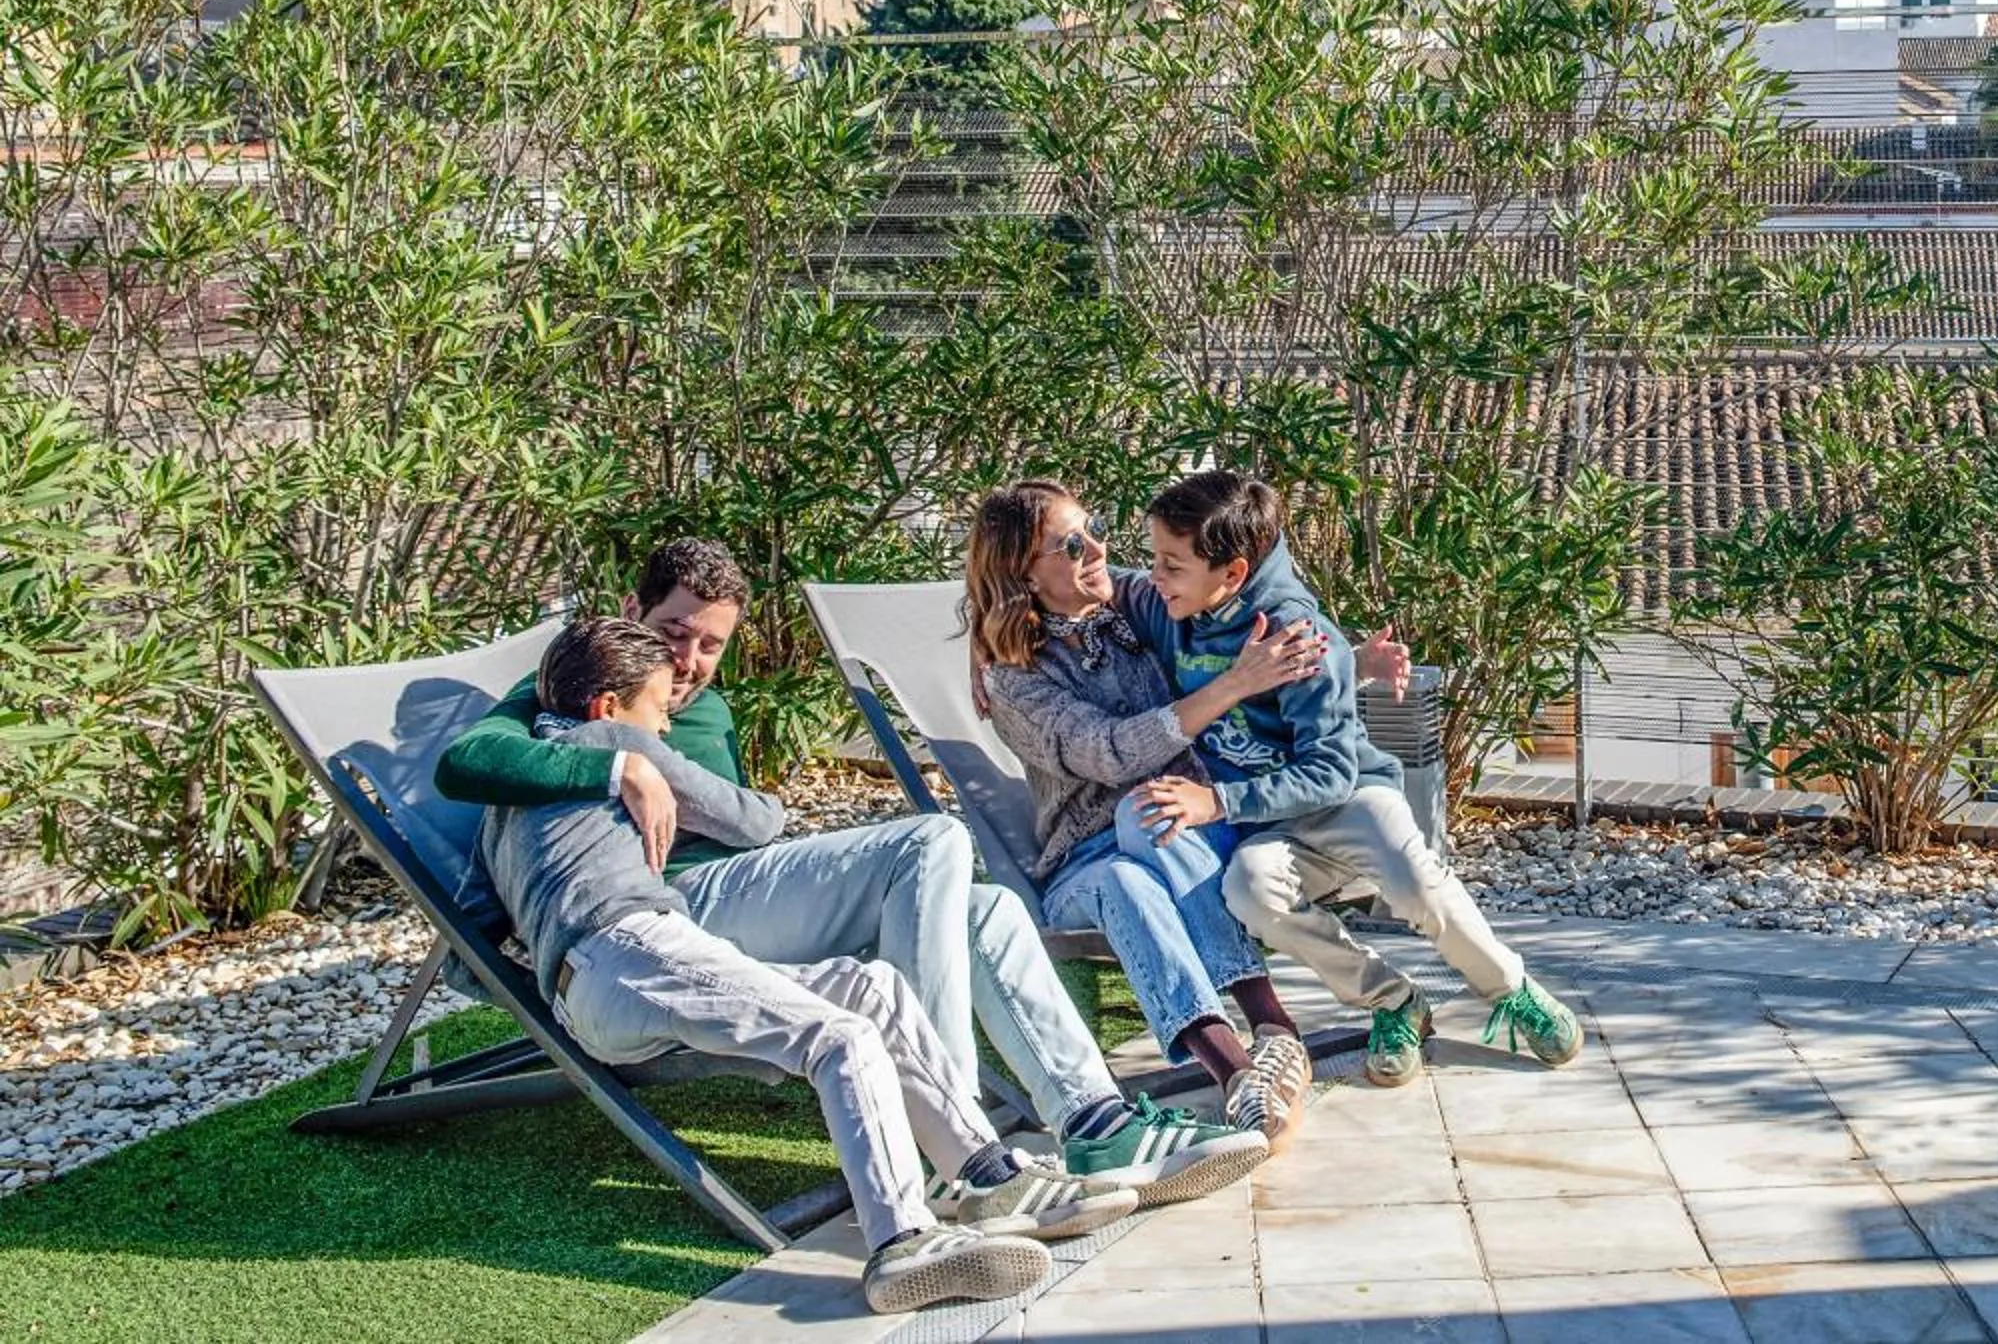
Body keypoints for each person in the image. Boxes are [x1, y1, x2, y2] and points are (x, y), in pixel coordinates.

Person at [437, 537, 1262, 1201]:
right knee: (928, 841)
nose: (686, 661)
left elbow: (754, 827)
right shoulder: (583, 692)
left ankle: (1092, 1119)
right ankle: (956, 1134)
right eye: (673, 633)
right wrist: (622, 768)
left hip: (747, 899)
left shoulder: (705, 705)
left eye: (709, 645)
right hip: (664, 913)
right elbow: (469, 760)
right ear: (631, 615)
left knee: (988, 910)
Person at [487, 618, 1132, 1313]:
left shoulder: (502, 799)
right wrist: (676, 777)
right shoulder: (615, 743)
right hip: (626, 947)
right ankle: (902, 1243)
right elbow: (749, 821)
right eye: (658, 712)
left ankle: (986, 1176)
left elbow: (484, 921)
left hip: (609, 970)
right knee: (842, 1034)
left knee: (873, 989)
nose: (667, 730)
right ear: (608, 708)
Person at [963, 482, 1400, 1145]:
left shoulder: (1130, 602)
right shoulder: (1013, 680)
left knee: (1154, 813)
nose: (1099, 549)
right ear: (1023, 571)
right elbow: (1110, 753)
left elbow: (1236, 591)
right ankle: (1241, 1066)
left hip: (1193, 827)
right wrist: (1235, 686)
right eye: (1073, 543)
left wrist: (1344, 658)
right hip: (1086, 865)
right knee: (1131, 855)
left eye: (1097, 526)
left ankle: (1270, 1036)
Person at [1133, 470, 1585, 1089]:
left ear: (1233, 573)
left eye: (1170, 564)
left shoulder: (1295, 635)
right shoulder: (1175, 606)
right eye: (1154, 560)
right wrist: (983, 653)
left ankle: (1510, 988)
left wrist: (1216, 800)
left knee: (1412, 881)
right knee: (1251, 890)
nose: (1155, 576)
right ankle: (1395, 1002)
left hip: (1348, 799)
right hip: (1274, 823)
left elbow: (1329, 771)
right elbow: (1088, 594)